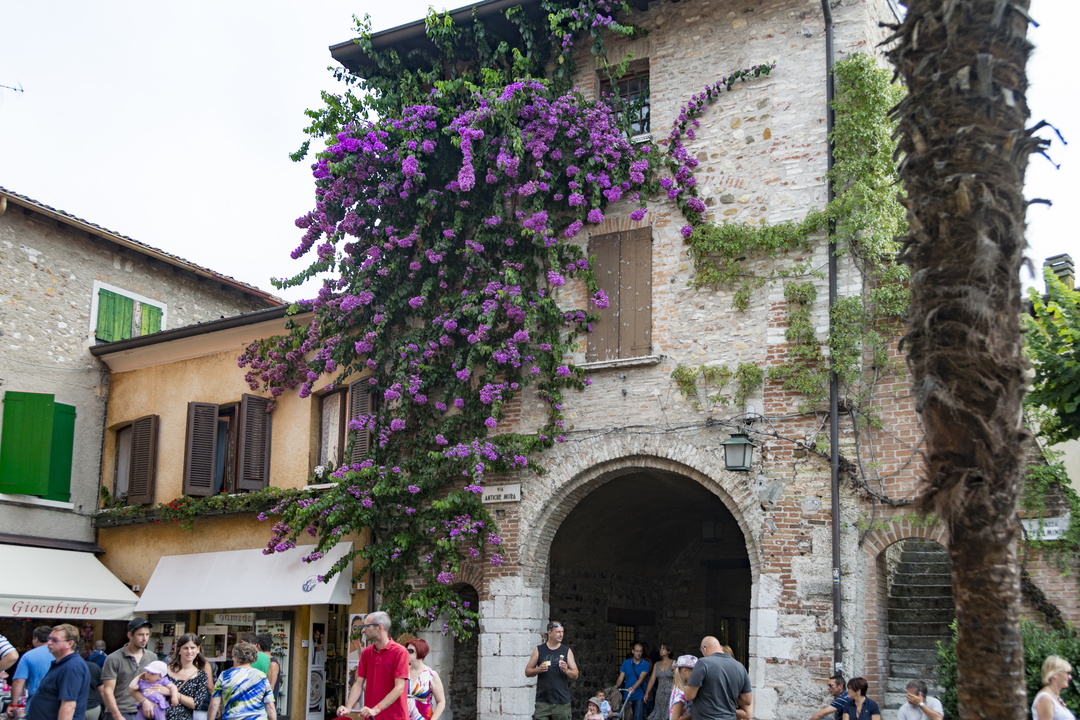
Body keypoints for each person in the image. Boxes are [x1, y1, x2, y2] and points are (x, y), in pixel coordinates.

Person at [337, 611, 408, 720]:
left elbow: (399, 688)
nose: (363, 630)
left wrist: (375, 709)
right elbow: (358, 684)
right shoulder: (366, 653)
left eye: (366, 626)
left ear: (379, 628)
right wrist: (348, 708)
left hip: (395, 717)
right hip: (372, 718)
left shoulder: (400, 652)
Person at [26, 624, 90, 720]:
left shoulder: (71, 667)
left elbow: (69, 705)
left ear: (70, 644)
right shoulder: (63, 664)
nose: (48, 643)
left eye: (54, 640)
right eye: (49, 639)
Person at [102, 617, 159, 720]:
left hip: (143, 710)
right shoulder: (113, 658)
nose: (144, 638)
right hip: (120, 711)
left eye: (147, 634)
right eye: (140, 635)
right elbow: (108, 690)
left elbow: (155, 685)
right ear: (129, 635)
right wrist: (117, 716)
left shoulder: (152, 657)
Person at [684, 637, 752, 720]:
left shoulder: (703, 663)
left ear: (704, 648)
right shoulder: (740, 667)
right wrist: (726, 698)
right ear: (720, 647)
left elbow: (688, 696)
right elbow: (747, 700)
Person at [525, 621, 579, 720]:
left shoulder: (566, 651)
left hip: (561, 702)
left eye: (562, 632)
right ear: (549, 633)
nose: (561, 634)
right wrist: (538, 669)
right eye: (558, 632)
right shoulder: (539, 650)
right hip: (543, 702)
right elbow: (527, 671)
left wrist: (566, 670)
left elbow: (575, 674)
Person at [206, 643, 275, 720]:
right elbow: (270, 706)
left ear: (236, 657)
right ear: (253, 658)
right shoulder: (261, 676)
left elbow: (214, 704)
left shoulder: (225, 675)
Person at [8, 626, 54, 716]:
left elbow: (18, 681)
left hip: (35, 704)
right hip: (58, 704)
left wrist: (14, 704)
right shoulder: (60, 654)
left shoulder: (28, 656)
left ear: (35, 639)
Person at [403, 639, 444, 720]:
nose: (407, 653)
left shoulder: (431, 675)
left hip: (424, 716)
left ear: (420, 651)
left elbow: (441, 702)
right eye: (406, 650)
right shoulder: (403, 671)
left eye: (410, 651)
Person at [1032, 655, 1075, 720]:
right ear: (1054, 674)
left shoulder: (1055, 698)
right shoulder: (1045, 698)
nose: (1070, 677)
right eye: (1067, 673)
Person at [616, 643, 651, 720]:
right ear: (632, 651)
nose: (639, 653)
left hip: (639, 695)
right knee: (626, 717)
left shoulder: (645, 663)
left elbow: (641, 678)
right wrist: (616, 686)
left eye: (640, 651)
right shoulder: (626, 662)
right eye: (637, 651)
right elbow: (621, 677)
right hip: (627, 695)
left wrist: (633, 688)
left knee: (637, 717)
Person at [645, 645, 674, 720]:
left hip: (671, 693)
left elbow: (678, 678)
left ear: (669, 651)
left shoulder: (674, 663)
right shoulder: (656, 664)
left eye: (663, 649)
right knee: (658, 714)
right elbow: (652, 680)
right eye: (660, 648)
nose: (661, 650)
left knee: (670, 714)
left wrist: (676, 669)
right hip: (660, 694)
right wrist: (647, 692)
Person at [255, 636, 280, 710]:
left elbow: (271, 687)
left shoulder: (272, 663)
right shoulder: (263, 661)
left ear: (258, 646)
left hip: (267, 703)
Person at [668, 655, 697, 720]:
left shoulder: (678, 687)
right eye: (694, 672)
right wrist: (695, 713)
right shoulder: (681, 694)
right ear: (685, 671)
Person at [83, 654, 103, 720]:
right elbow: (102, 691)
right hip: (94, 707)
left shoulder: (67, 667)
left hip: (76, 708)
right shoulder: (95, 667)